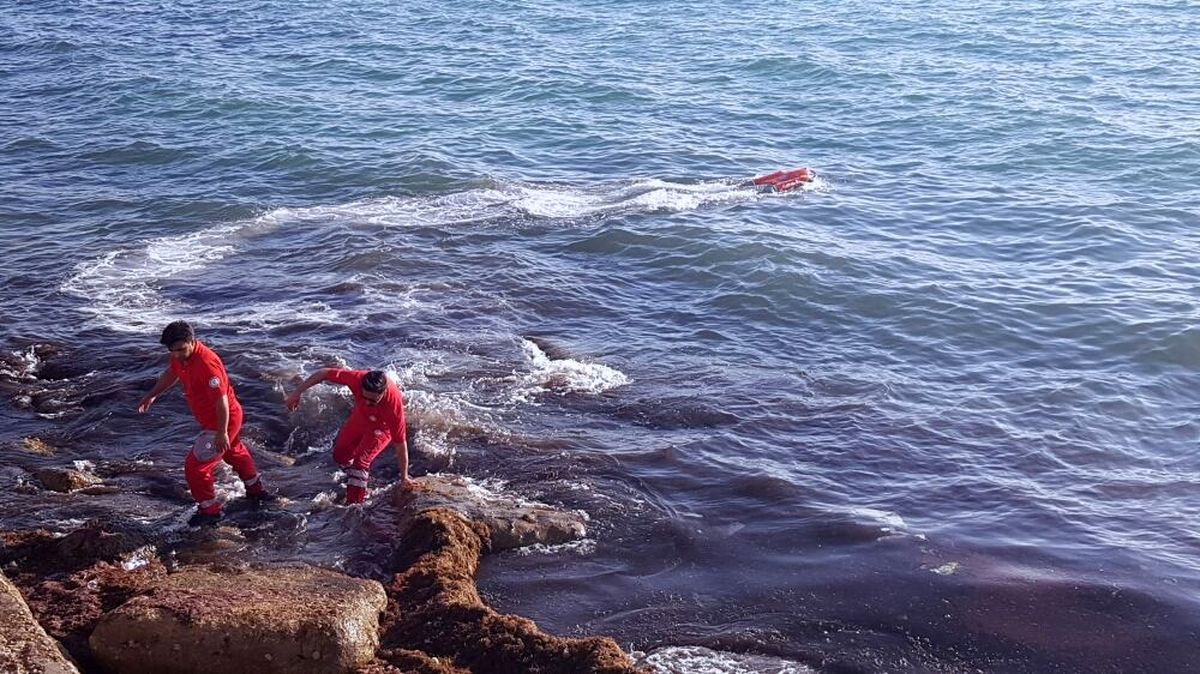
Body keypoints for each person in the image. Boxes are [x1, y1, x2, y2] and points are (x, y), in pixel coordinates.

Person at [137, 321, 272, 526]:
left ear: (192, 341)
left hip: (222, 420)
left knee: (196, 466)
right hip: (215, 420)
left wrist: (221, 432)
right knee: (233, 452)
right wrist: (152, 395)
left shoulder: (206, 364)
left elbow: (221, 401)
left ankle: (209, 511)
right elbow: (172, 372)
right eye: (172, 351)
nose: (176, 355)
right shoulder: (181, 356)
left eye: (181, 350)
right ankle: (256, 491)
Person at [284, 367, 412, 503]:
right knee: (340, 455)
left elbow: (400, 442)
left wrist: (404, 477)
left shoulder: (393, 404)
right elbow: (324, 373)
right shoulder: (356, 378)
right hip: (360, 417)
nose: (368, 403)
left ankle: (355, 506)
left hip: (381, 427)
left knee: (360, 462)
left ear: (383, 392)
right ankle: (361, 482)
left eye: (373, 401)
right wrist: (296, 393)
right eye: (365, 397)